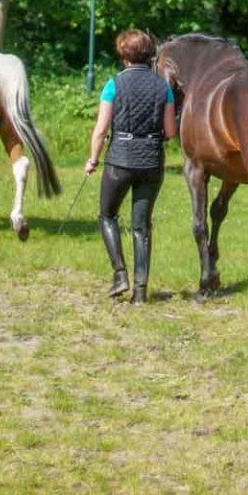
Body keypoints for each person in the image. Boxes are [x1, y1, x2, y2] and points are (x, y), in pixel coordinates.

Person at [85, 29, 177, 303]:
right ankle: (139, 292)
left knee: (107, 216)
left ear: (124, 56)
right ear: (148, 54)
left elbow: (101, 129)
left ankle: (120, 273)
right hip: (151, 161)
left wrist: (92, 160)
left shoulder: (113, 84)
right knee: (141, 226)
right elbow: (170, 132)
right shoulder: (164, 88)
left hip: (120, 160)